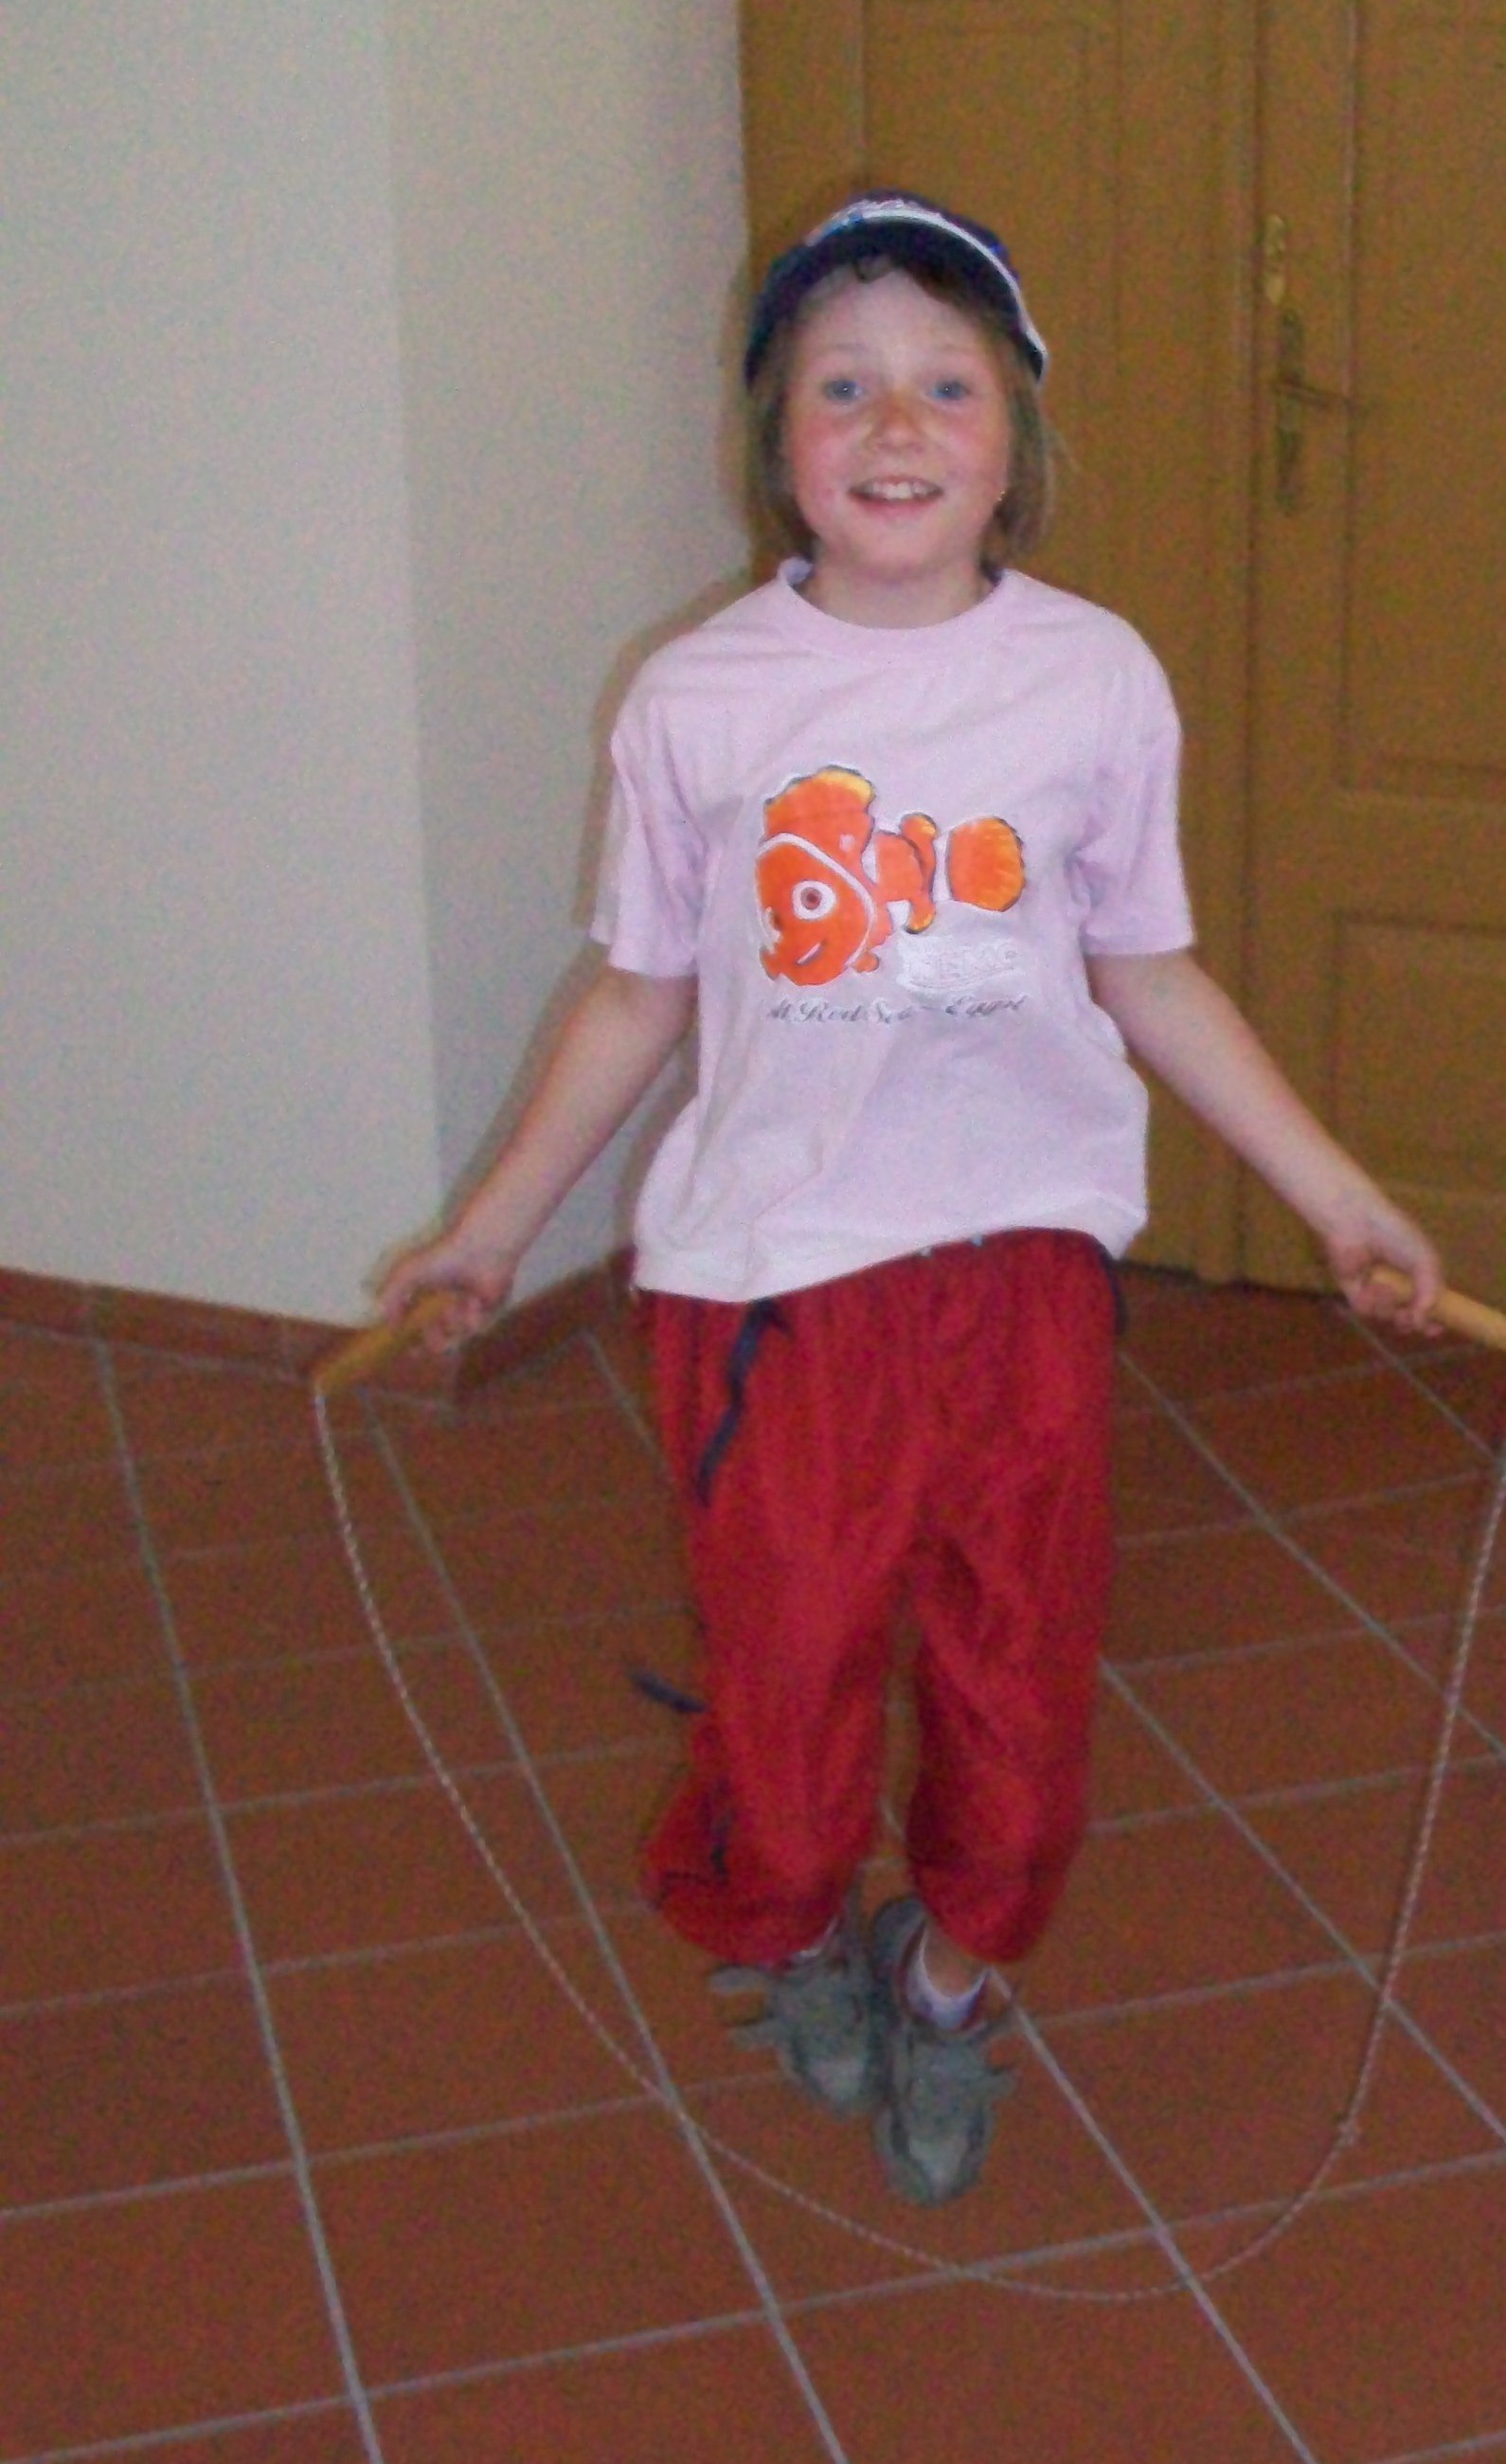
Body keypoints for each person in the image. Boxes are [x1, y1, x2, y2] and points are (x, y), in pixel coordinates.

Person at [379, 191, 1443, 2205]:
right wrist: (495, 1228)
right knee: (785, 1685)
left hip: (1019, 1276)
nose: (893, 425)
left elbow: (1148, 969)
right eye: (840, 386)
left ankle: (949, 1975)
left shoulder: (1094, 680)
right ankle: (790, 1932)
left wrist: (1334, 1194)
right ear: (773, 438)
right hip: (776, 1287)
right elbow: (637, 993)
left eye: (946, 385)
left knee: (1017, 1678)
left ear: (1013, 434)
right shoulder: (697, 698)